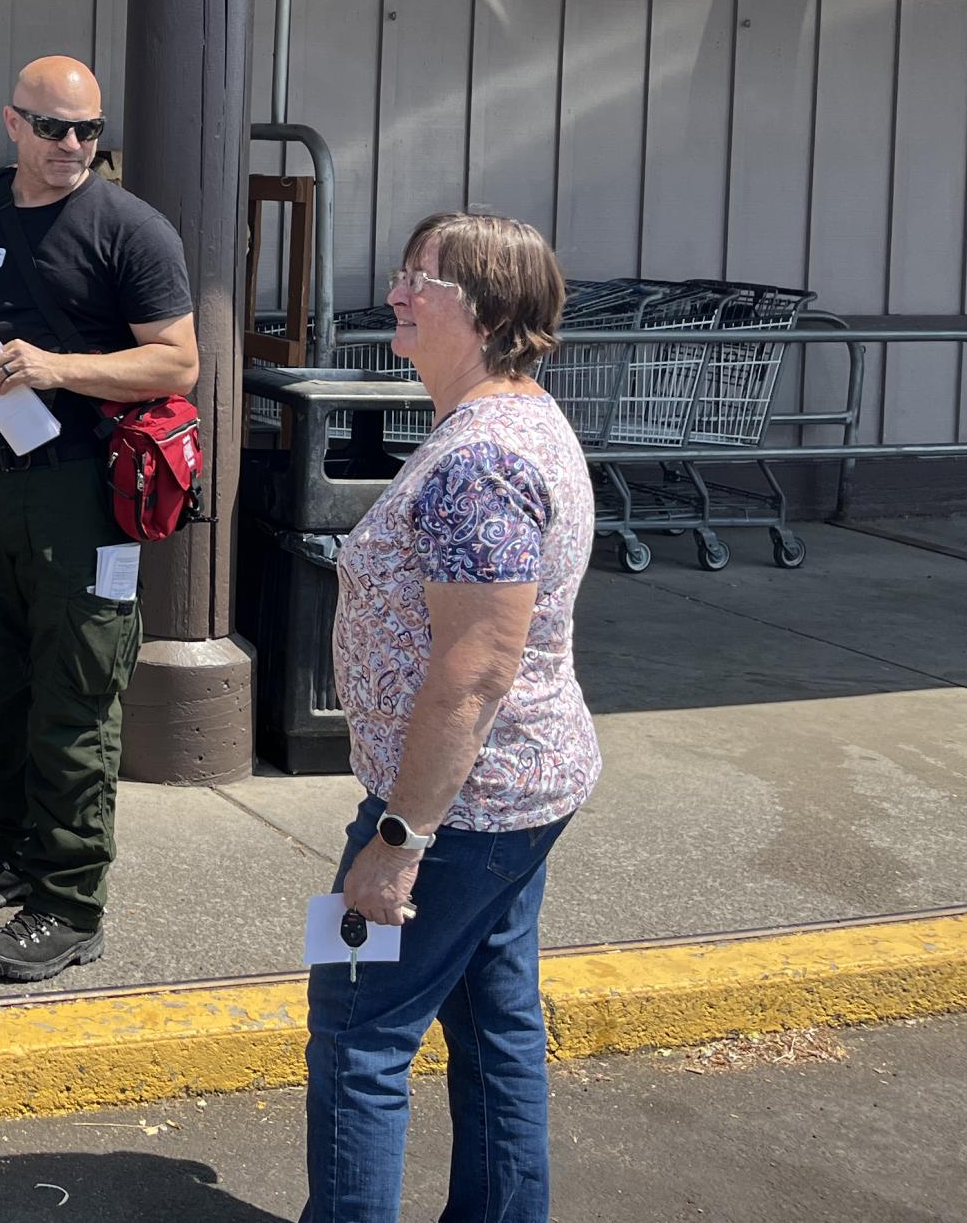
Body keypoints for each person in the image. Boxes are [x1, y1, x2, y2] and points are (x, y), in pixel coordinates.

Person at [303, 212, 601, 1223]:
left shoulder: (479, 462)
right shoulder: (509, 423)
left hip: (456, 808)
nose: (394, 291)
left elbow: (471, 671)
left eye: (418, 278)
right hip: (513, 794)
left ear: (483, 311)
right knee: (492, 1019)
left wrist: (394, 840)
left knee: (356, 1028)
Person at [0, 56, 198, 981]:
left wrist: (61, 367)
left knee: (75, 691)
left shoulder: (130, 229)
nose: (73, 147)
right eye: (55, 128)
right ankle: (17, 849)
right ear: (12, 125)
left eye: (90, 131)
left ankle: (70, 900)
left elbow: (177, 364)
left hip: (84, 488)